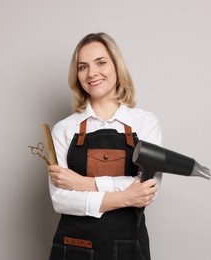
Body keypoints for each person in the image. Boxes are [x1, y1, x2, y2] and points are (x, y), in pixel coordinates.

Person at [47, 32, 162, 260]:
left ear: (117, 67)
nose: (92, 73)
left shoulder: (145, 123)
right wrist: (125, 197)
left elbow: (147, 189)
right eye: (83, 67)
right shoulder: (64, 129)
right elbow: (60, 199)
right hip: (74, 247)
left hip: (129, 246)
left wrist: (83, 183)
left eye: (101, 63)